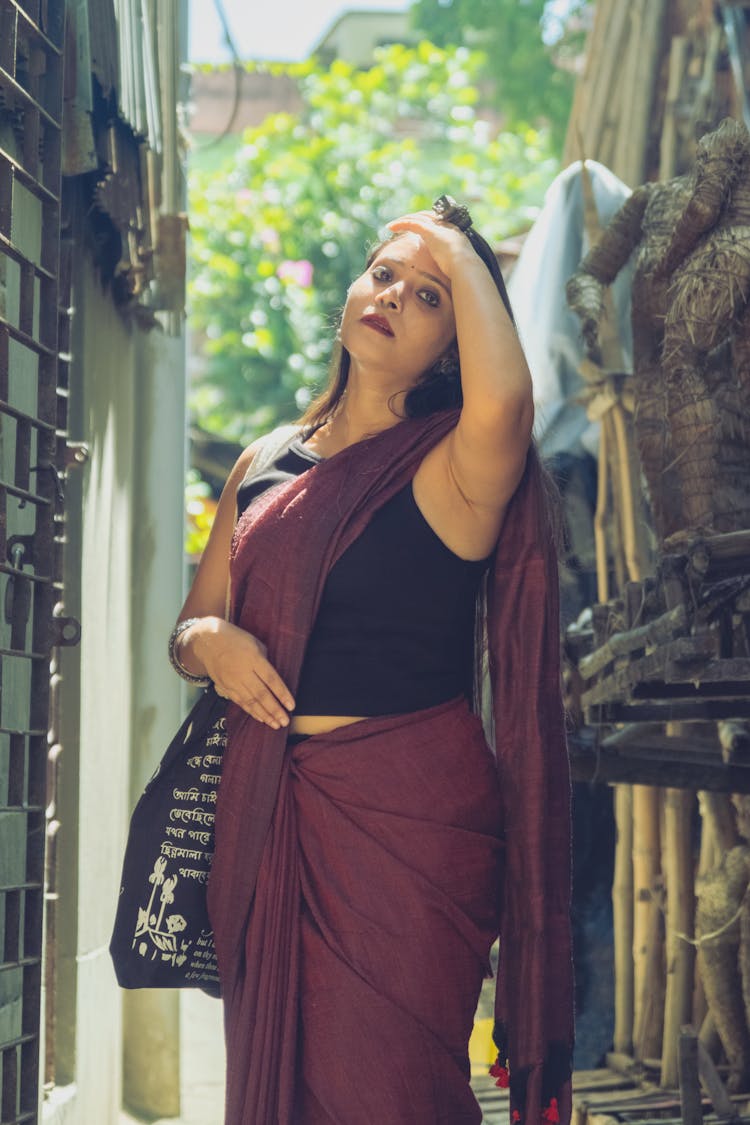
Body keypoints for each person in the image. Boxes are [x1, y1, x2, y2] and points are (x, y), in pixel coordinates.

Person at [169, 197, 574, 1125]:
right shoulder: (266, 461)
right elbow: (189, 629)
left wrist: (447, 243)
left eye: (428, 295)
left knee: (393, 1093)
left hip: (411, 828)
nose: (393, 294)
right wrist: (209, 646)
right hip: (269, 813)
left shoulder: (459, 465)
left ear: (458, 338)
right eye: (384, 272)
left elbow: (510, 398)